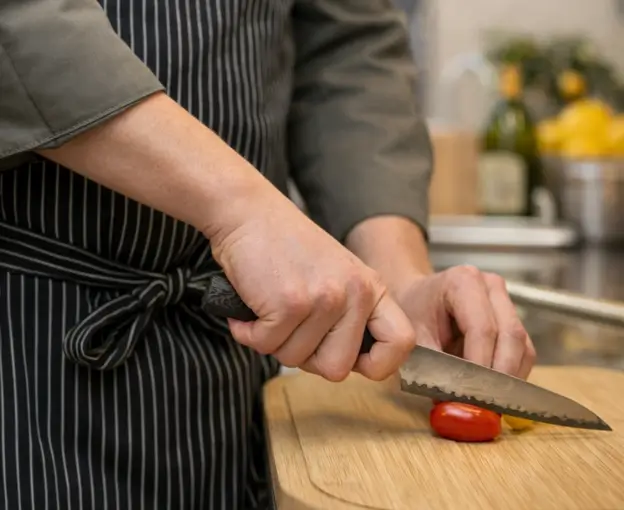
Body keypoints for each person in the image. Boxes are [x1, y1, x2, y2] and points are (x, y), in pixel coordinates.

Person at [0, 0, 536, 508]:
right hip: (33, 354)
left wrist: (397, 277)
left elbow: (347, 47)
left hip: (230, 360)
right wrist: (241, 209)